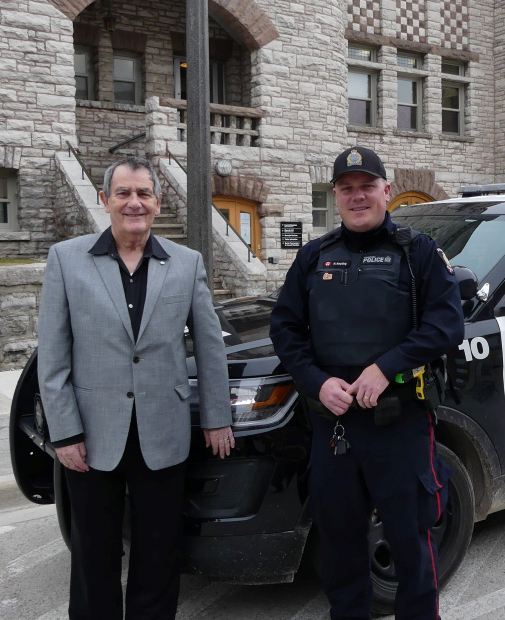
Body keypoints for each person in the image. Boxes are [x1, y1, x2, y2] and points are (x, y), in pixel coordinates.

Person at [270, 146, 464, 620]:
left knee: (410, 543)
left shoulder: (416, 252)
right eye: (346, 188)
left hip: (399, 427)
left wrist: (386, 368)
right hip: (333, 430)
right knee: (339, 548)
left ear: (386, 191)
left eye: (366, 186)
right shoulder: (314, 256)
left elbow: (445, 325)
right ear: (336, 196)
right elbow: (285, 329)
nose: (357, 197)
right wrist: (316, 383)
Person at [37, 157, 234, 620]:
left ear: (157, 203)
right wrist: (64, 433)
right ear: (105, 201)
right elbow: (53, 356)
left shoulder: (186, 264)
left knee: (159, 552)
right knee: (93, 553)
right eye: (123, 193)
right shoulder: (67, 259)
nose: (134, 202)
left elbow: (209, 347)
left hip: (163, 435)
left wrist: (217, 416)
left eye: (144, 194)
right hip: (90, 437)